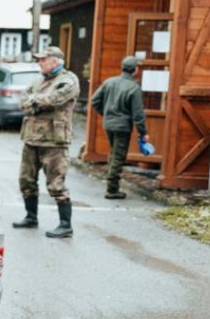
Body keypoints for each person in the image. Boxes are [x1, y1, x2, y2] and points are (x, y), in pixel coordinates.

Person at [12, 46, 80, 238]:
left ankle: (65, 225)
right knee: (26, 180)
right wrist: (34, 101)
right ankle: (31, 217)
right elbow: (22, 101)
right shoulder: (39, 79)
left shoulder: (68, 80)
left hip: (54, 141)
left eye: (44, 59)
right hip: (32, 138)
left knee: (56, 184)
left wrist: (34, 101)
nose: (40, 63)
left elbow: (54, 99)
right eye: (39, 60)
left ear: (56, 61)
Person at [90, 55, 149, 199]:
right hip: (122, 126)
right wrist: (143, 133)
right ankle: (112, 189)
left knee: (113, 152)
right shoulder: (134, 88)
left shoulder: (109, 82)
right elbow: (138, 115)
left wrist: (105, 113)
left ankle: (111, 182)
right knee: (118, 156)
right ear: (135, 70)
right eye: (138, 67)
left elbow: (94, 100)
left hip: (109, 124)